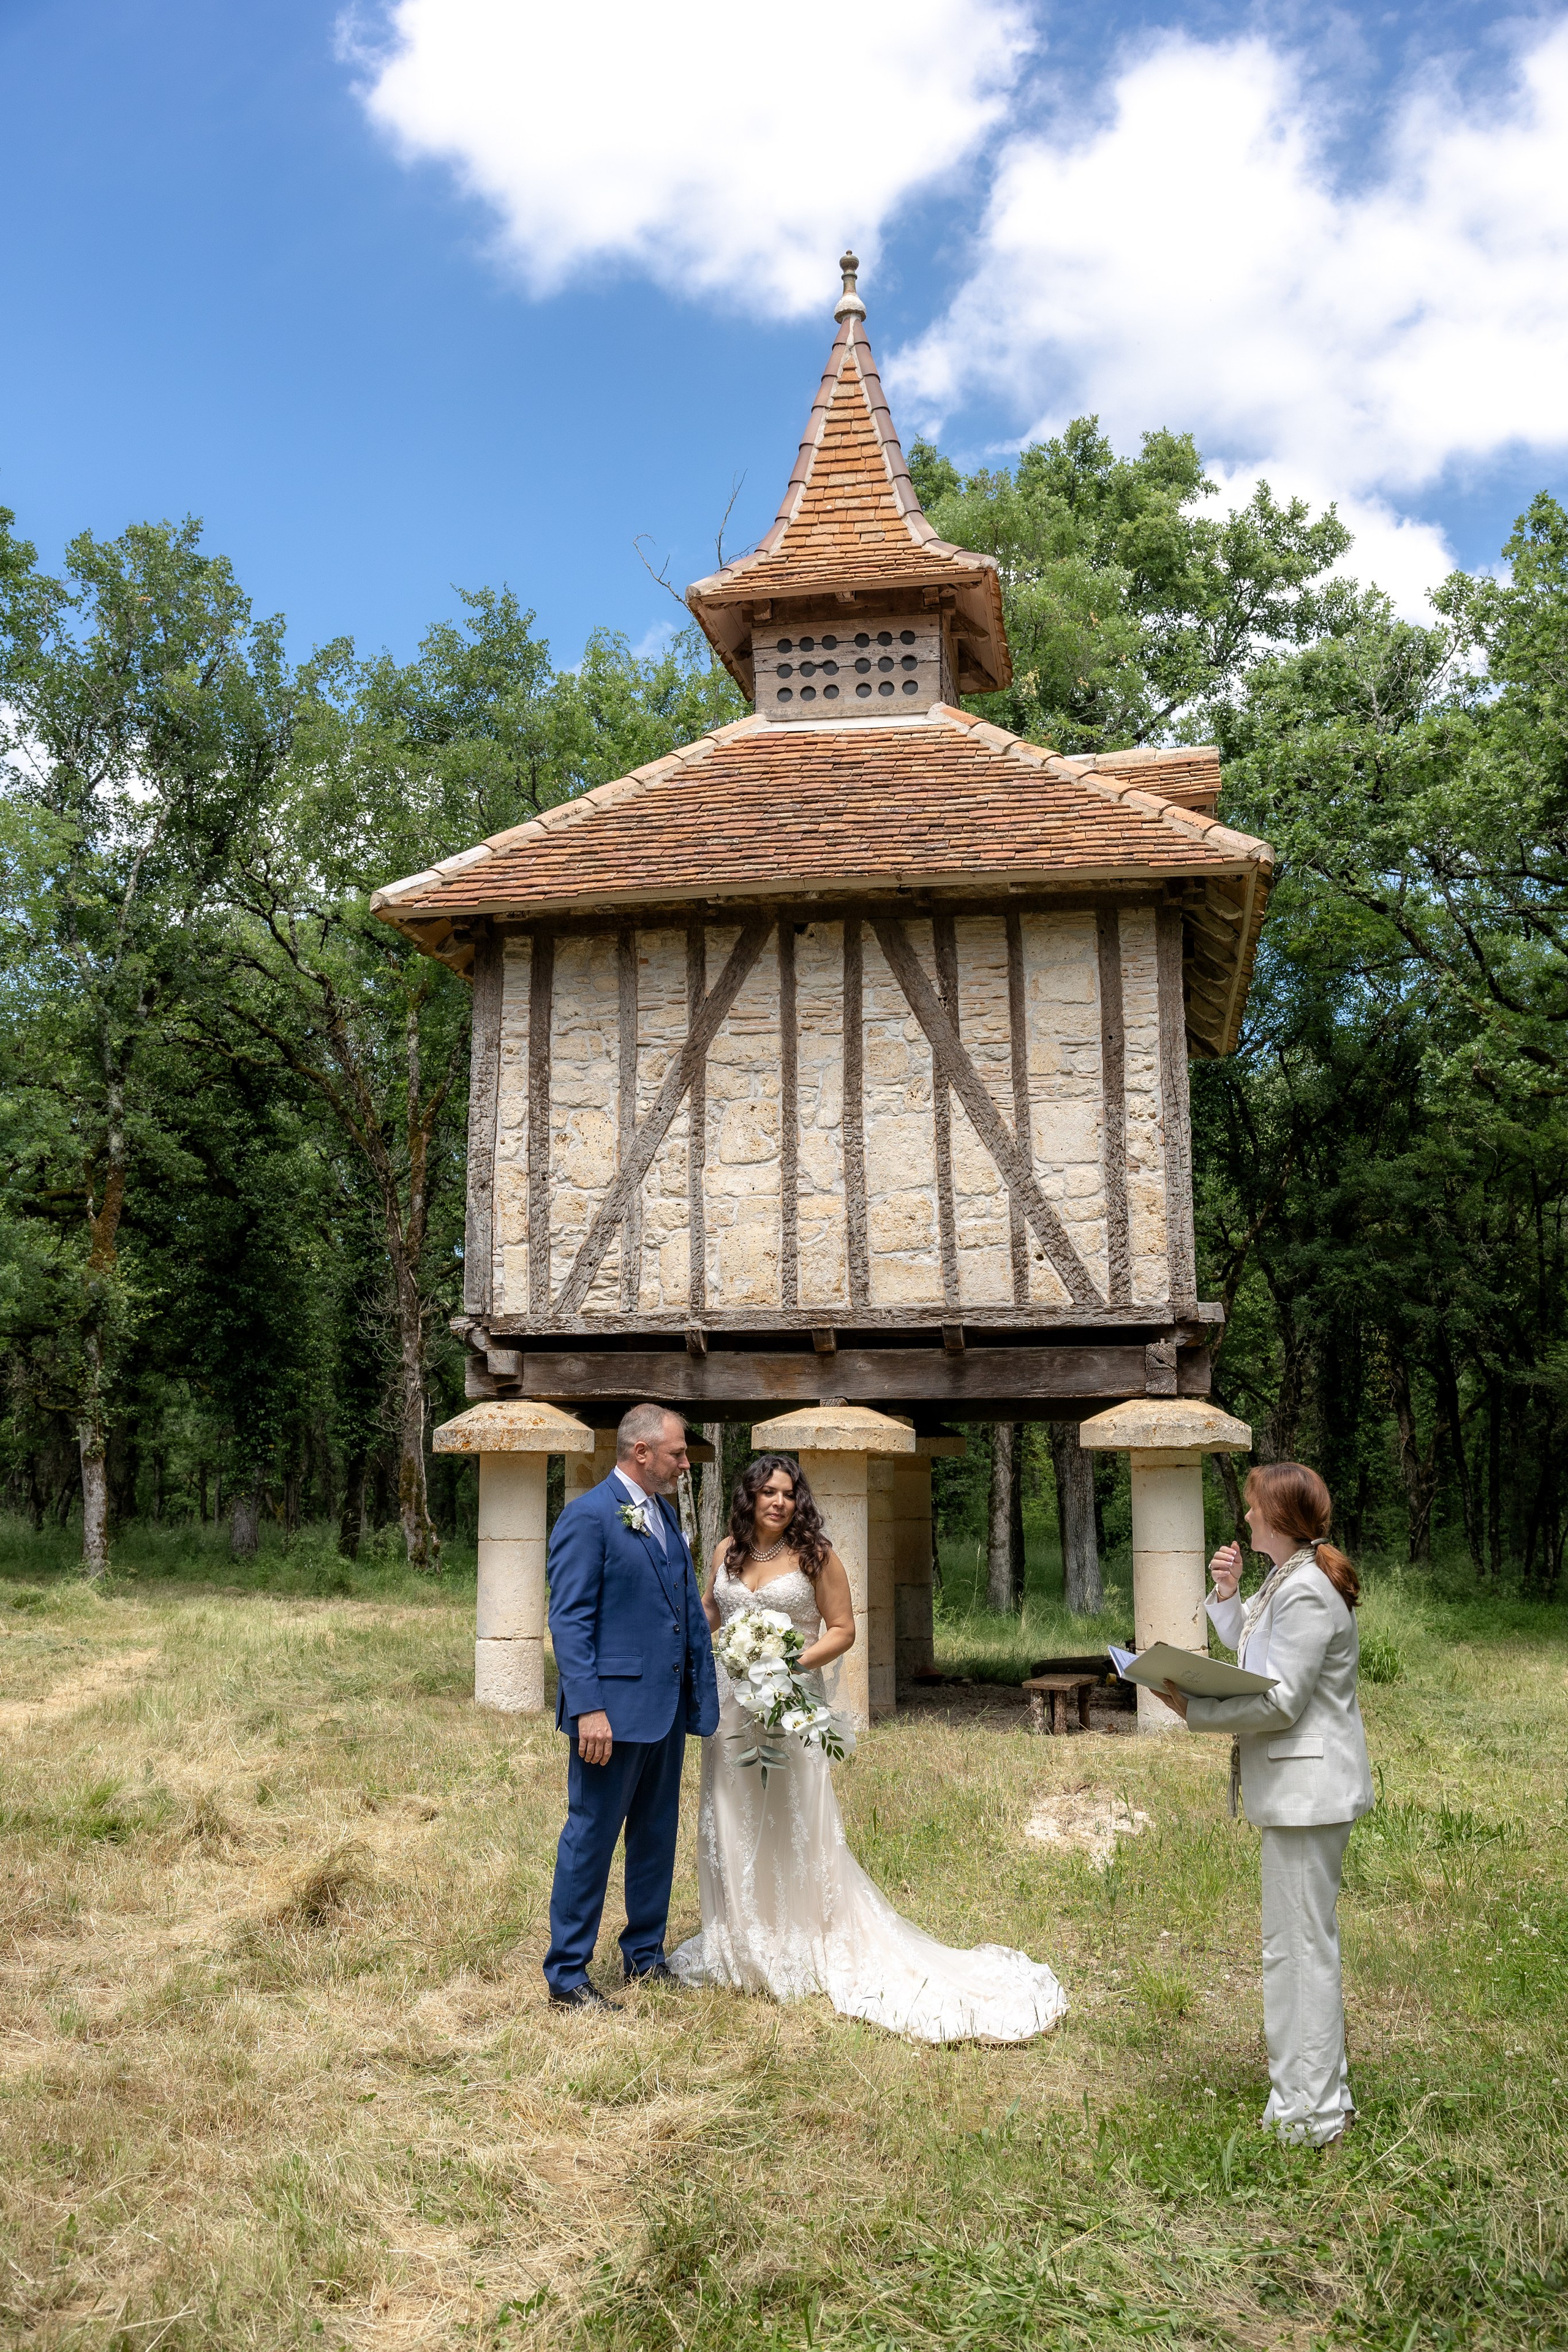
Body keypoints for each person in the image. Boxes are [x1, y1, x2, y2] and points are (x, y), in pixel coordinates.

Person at [669, 1453, 1067, 2042]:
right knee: (733, 1814)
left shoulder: (816, 1556)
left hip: (788, 1703)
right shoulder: (728, 1549)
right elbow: (713, 1610)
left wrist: (784, 1664)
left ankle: (802, 1939)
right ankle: (742, 1940)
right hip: (731, 1707)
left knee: (790, 1816)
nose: (778, 1502)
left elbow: (843, 1630)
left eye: (787, 1493)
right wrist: (696, 1638)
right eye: (767, 1492)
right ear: (749, 1497)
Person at [1156, 1461, 1373, 2147]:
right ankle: (1322, 2098)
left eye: (1252, 1506)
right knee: (1298, 1948)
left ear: (1278, 1517)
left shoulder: (1306, 1590)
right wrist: (1226, 1594)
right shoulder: (1287, 1580)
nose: (1244, 1515)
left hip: (1309, 1796)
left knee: (1298, 1953)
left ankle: (1308, 2117)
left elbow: (1280, 1701)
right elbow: (1254, 1654)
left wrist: (1193, 1708)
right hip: (1299, 1794)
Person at [543, 1403, 719, 2009]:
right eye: (676, 1452)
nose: (684, 1461)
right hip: (610, 1717)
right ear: (640, 1452)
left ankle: (645, 1955)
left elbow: (680, 1610)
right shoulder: (587, 1517)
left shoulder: (666, 1514)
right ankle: (567, 1976)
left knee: (654, 1836)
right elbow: (569, 1620)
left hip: (663, 1709)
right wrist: (589, 1708)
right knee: (590, 1836)